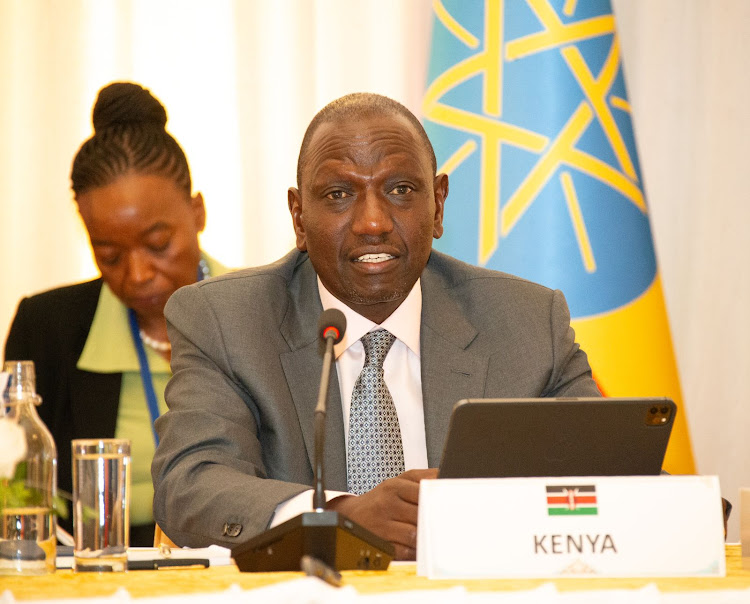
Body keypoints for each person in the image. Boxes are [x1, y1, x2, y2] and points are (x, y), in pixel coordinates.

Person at [151, 92, 601, 560]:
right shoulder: (227, 322)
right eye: (339, 195)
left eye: (401, 190)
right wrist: (336, 519)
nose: (372, 222)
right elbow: (191, 484)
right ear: (299, 216)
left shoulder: (526, 321)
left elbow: (618, 473)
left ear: (439, 204)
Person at [4, 82, 228, 546]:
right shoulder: (48, 328)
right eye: (108, 254)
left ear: (198, 212)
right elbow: (15, 490)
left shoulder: (270, 311)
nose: (138, 274)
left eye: (158, 244)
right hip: (95, 571)